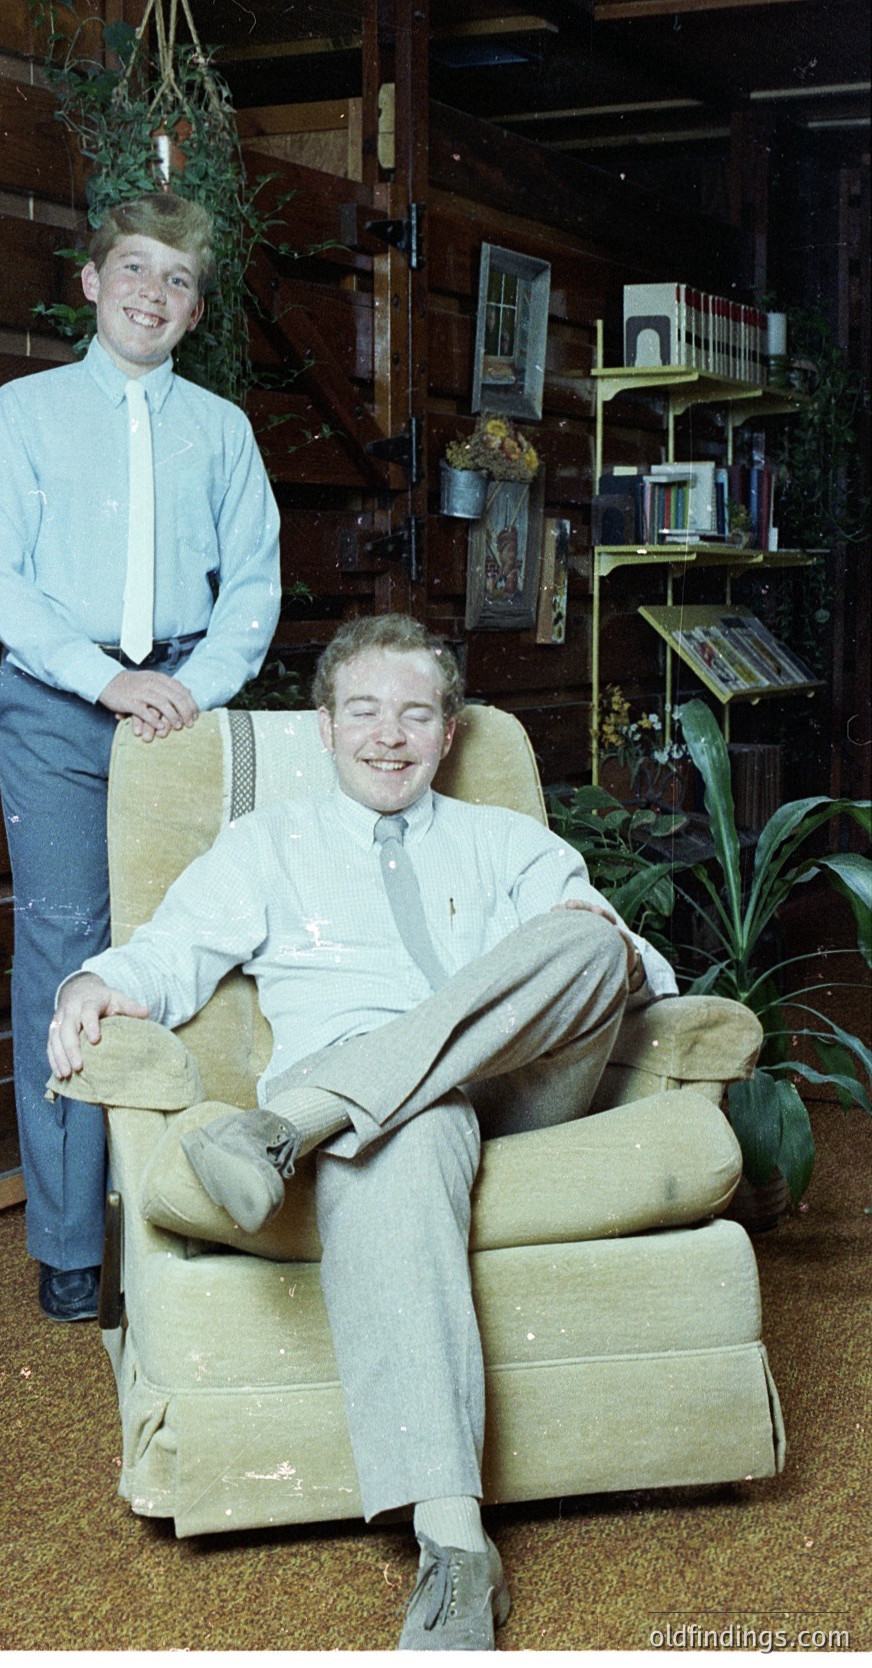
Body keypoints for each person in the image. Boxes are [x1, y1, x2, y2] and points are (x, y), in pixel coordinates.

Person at [47, 613, 677, 1650]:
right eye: (365, 712)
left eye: (416, 714)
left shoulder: (506, 840)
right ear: (326, 725)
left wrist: (590, 950)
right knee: (406, 1128)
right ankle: (456, 1550)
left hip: (510, 1087)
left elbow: (625, 970)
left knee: (587, 940)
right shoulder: (267, 844)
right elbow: (167, 951)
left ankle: (294, 1124)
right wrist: (90, 986)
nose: (389, 736)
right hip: (387, 1117)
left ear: (448, 731)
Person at [0, 193, 281, 1322]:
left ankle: (180, 1206)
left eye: (178, 281)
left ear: (195, 310)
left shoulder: (221, 431)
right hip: (59, 701)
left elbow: (252, 585)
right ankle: (69, 1243)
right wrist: (102, 680)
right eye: (134, 271)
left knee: (184, 938)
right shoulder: (24, 412)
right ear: (93, 282)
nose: (153, 294)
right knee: (64, 946)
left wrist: (187, 692)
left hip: (184, 706)